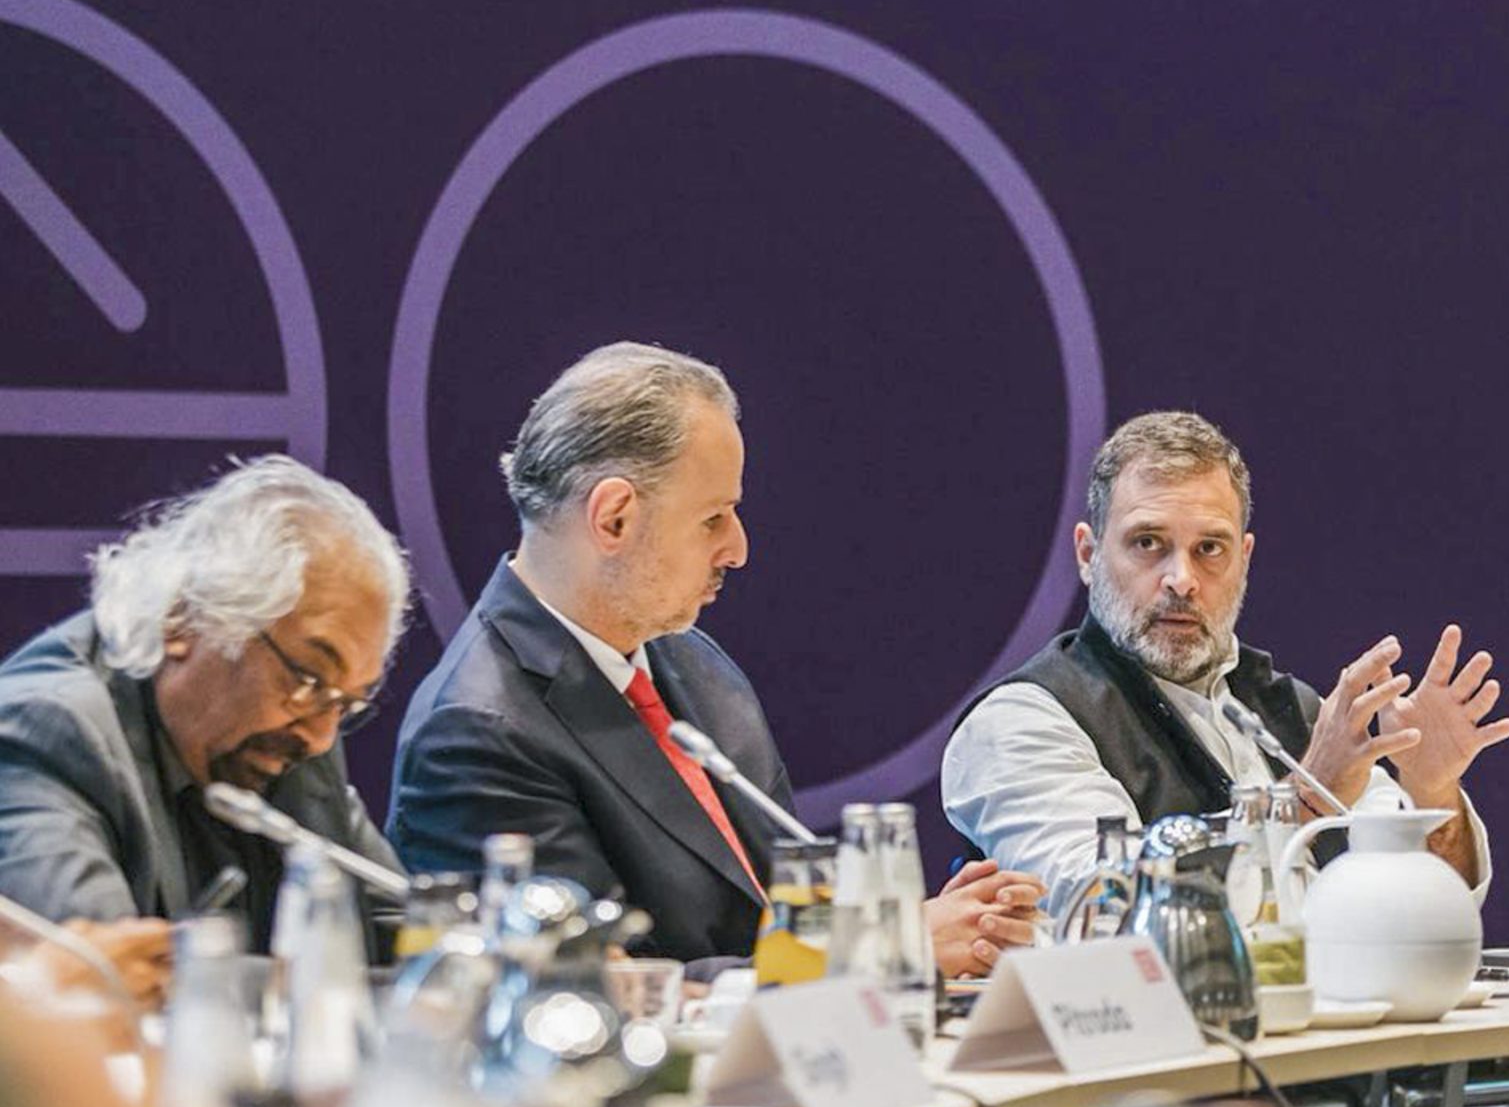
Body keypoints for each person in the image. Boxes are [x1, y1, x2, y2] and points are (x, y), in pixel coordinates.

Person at [945, 410, 1509, 1107]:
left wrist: (1431, 791)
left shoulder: (1289, 711)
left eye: (1209, 549)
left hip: (1366, 1081)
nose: (1180, 579)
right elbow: (1110, 908)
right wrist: (1308, 798)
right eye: (1147, 544)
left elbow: (1422, 906)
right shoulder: (1025, 722)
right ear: (1086, 553)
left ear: (1244, 559)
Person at [390, 342, 1038, 972]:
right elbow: (596, 989)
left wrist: (908, 927)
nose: (738, 549)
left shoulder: (695, 662)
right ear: (613, 519)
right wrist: (881, 949)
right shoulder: (475, 733)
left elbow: (781, 915)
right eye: (713, 518)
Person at [0, 457, 408, 977]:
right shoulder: (48, 732)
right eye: (309, 678)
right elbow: (106, 985)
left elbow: (419, 950)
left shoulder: (293, 735)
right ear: (183, 617)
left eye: (347, 703)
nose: (322, 736)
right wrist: (317, 987)